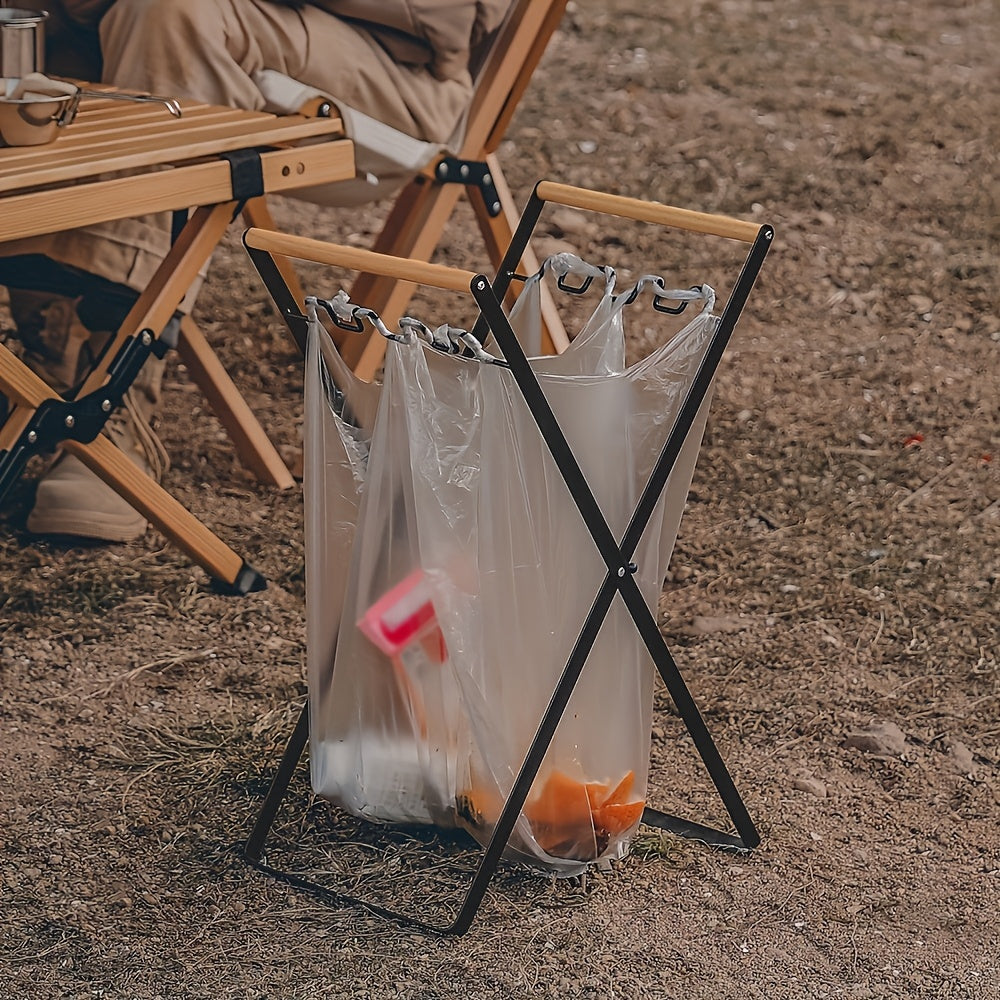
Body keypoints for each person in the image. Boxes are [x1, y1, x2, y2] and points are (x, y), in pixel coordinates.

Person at [1, 0, 509, 541]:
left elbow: (454, 18)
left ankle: (114, 390)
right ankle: (45, 353)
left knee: (171, 16)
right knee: (31, 21)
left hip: (400, 72)